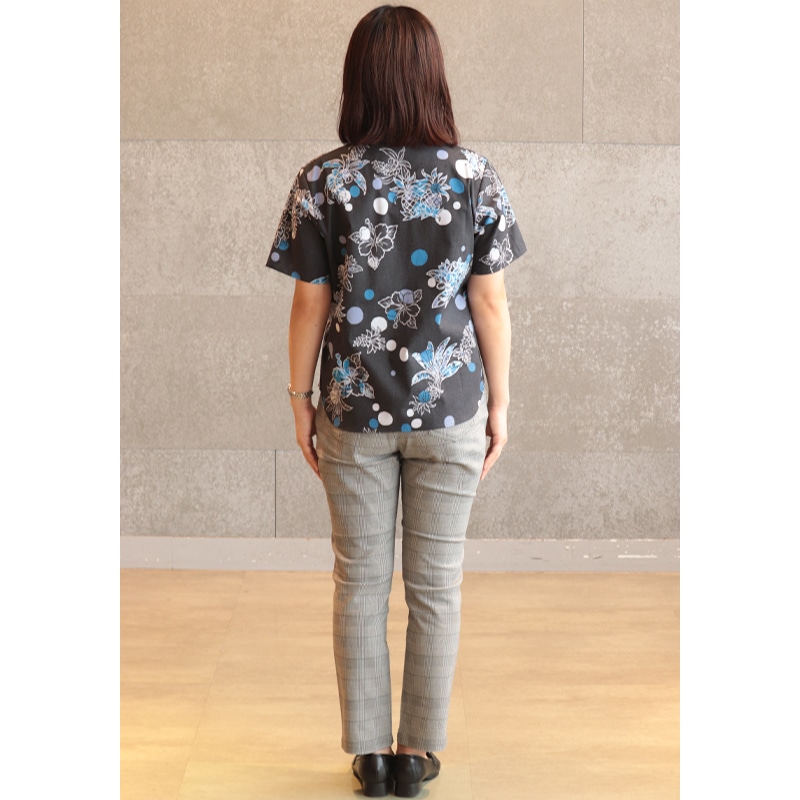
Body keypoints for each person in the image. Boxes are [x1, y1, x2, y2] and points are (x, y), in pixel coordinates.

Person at [265, 5, 526, 796]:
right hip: (451, 409)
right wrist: (500, 404)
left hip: (352, 411)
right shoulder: (474, 176)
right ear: (431, 77)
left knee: (358, 582)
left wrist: (300, 398)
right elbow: (490, 303)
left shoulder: (323, 179)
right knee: (436, 587)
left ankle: (370, 754)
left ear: (358, 81)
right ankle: (417, 755)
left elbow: (309, 303)